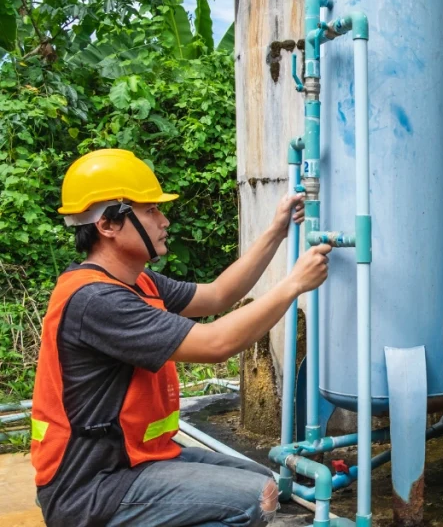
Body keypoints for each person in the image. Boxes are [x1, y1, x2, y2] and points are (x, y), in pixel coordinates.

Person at [29, 148, 331, 527]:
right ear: (107, 225)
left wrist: (275, 231)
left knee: (263, 481)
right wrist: (294, 285)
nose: (164, 220)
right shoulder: (97, 300)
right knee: (256, 498)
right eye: (150, 211)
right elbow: (216, 344)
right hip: (92, 489)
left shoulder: (137, 281)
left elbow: (219, 295)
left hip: (135, 460)